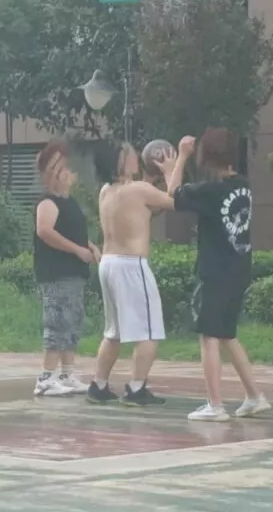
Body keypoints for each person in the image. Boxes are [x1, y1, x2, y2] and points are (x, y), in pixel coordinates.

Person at [156, 128, 271, 421]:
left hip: (216, 271)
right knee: (227, 334)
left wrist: (179, 160)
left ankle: (215, 405)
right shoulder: (243, 185)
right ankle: (255, 396)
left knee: (208, 336)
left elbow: (173, 195)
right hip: (239, 268)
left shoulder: (210, 191)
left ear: (207, 156)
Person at [87, 141, 174, 407]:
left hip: (108, 263)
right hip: (130, 266)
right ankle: (136, 389)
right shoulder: (138, 190)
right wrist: (172, 169)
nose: (137, 155)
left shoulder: (106, 191)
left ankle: (99, 385)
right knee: (148, 332)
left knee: (113, 332)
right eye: (130, 154)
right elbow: (174, 200)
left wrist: (151, 180)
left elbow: (145, 209)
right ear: (120, 162)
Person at [34, 140, 100, 397]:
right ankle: (46, 378)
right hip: (56, 272)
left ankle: (67, 374)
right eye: (65, 169)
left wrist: (90, 247)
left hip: (73, 273)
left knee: (72, 321)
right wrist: (76, 250)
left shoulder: (69, 202)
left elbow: (75, 233)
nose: (71, 173)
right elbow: (45, 231)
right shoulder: (48, 202)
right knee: (57, 321)